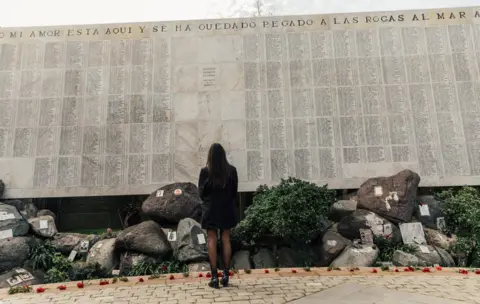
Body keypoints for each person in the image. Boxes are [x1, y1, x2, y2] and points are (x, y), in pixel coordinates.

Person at [198, 143, 238, 288]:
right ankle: (226, 274)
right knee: (226, 239)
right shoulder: (232, 171)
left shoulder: (205, 172)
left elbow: (201, 194)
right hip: (227, 209)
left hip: (211, 209)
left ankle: (214, 277)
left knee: (211, 239)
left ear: (210, 156)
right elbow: (234, 193)